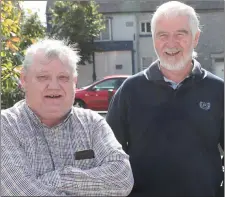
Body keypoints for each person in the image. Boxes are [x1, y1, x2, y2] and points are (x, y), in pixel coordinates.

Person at [106, 1, 224, 197]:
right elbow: (109, 156)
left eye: (180, 34)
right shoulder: (130, 91)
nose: (171, 43)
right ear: (153, 40)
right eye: (163, 35)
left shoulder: (218, 90)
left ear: (195, 38)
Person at [1, 39, 134, 196]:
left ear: (74, 82)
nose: (54, 86)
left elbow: (122, 178)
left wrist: (59, 179)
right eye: (43, 77)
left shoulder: (92, 123)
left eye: (63, 77)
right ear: (24, 80)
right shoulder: (6, 127)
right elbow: (22, 193)